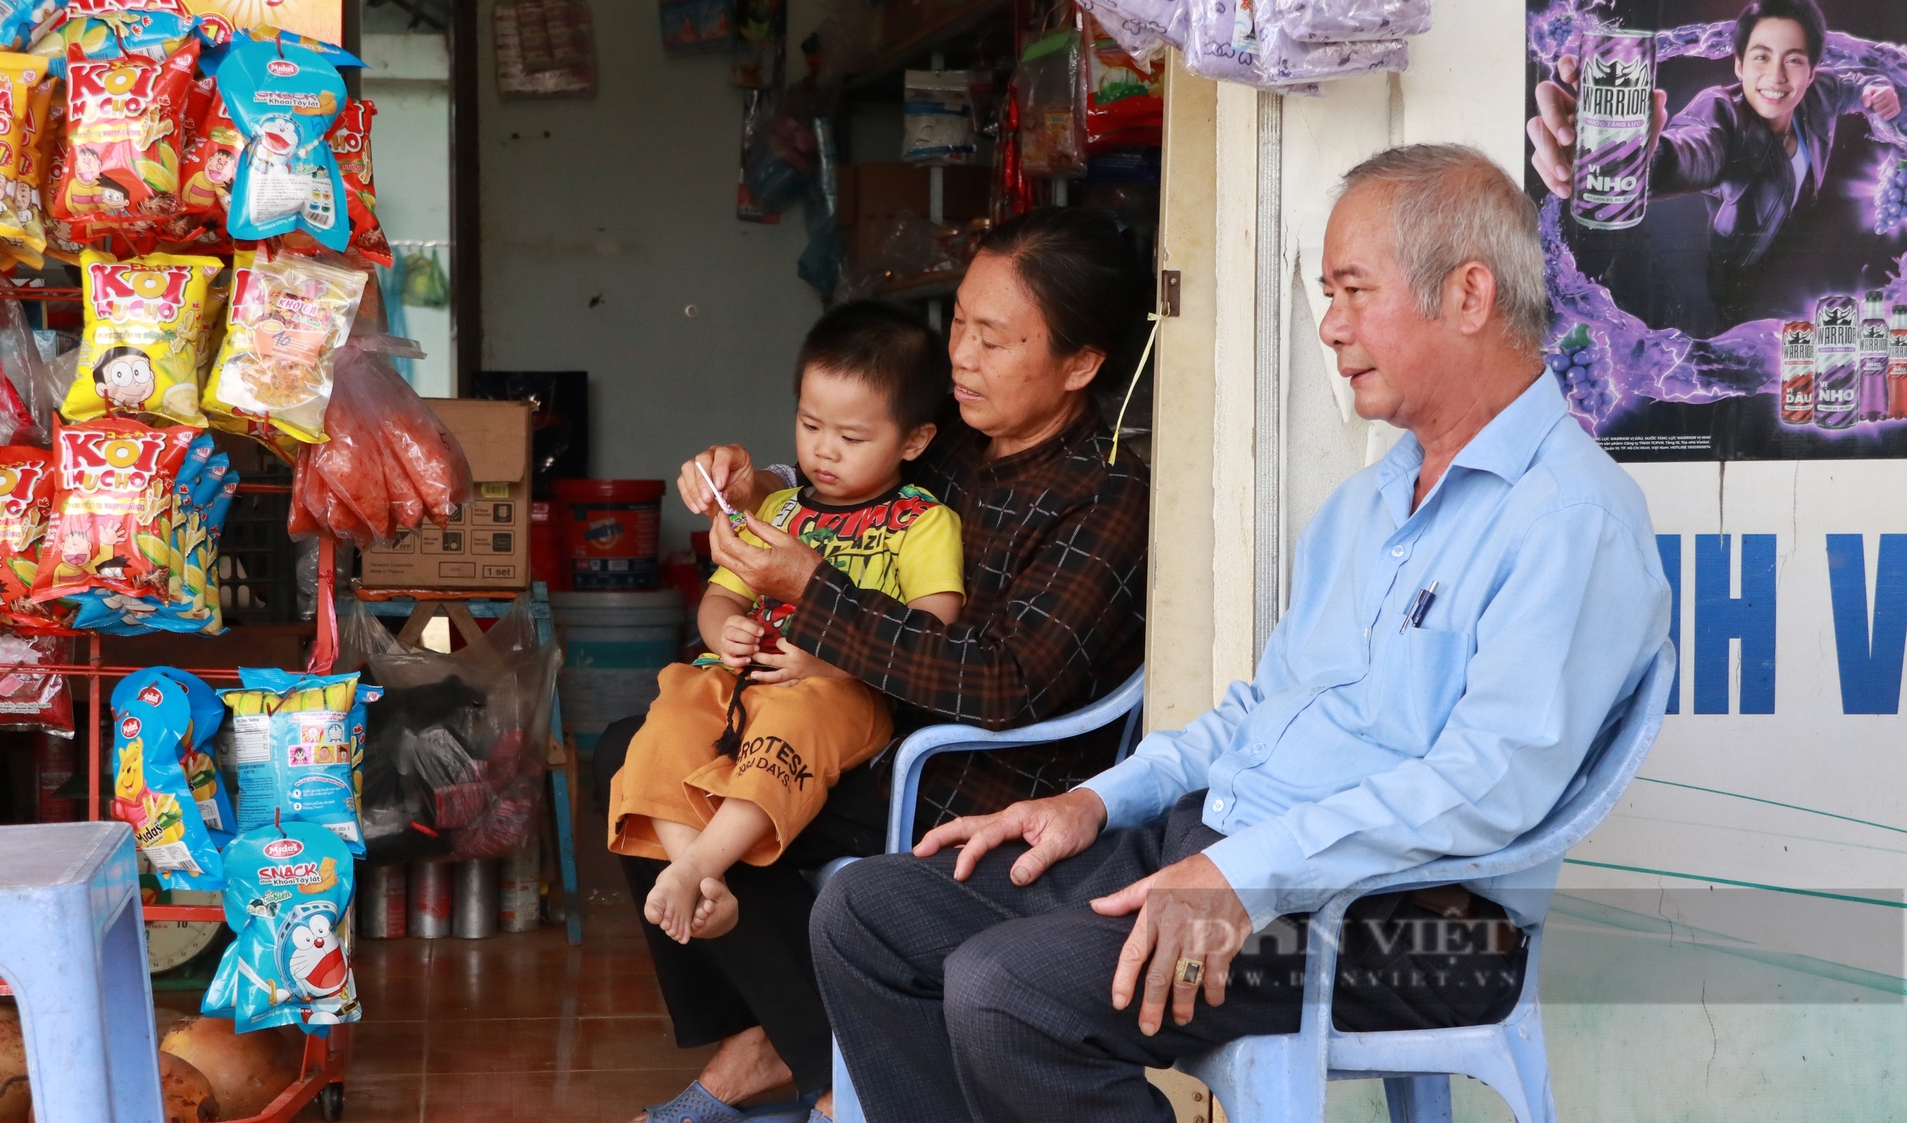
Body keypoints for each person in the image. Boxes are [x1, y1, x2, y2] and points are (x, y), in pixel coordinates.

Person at [812, 144, 1673, 1123]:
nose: (1329, 326)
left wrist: (1242, 874)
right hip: (1220, 845)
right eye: (1325, 293)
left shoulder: (1569, 518)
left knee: (1005, 988)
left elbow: (1486, 786)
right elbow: (1259, 714)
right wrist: (1092, 803)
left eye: (1353, 292)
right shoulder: (1371, 503)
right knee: (871, 911)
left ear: (1467, 295)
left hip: (1397, 924)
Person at [593, 205, 1151, 1123]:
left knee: (733, 791)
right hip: (872, 717)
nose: (962, 357)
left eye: (996, 338)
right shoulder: (961, 442)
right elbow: (849, 491)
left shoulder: (1106, 495)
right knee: (632, 754)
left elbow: (1007, 681)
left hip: (974, 767)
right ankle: (781, 1039)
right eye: (959, 324)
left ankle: (808, 1067)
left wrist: (811, 589)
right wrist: (759, 486)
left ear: (1081, 364)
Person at [607, 301, 967, 945]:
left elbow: (932, 624)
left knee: (790, 727)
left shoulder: (923, 522)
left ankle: (694, 868)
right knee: (671, 708)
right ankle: (700, 876)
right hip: (743, 679)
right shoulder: (779, 507)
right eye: (809, 424)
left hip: (839, 690)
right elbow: (720, 600)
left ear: (914, 440)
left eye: (853, 439)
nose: (824, 451)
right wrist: (725, 634)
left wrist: (826, 658)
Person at [1528, 0, 1901, 323]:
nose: (1776, 75)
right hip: (1738, 285)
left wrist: (1873, 92)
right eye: (1761, 57)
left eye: (1793, 61)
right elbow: (1691, 152)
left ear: (1810, 73)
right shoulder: (1720, 114)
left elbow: (1850, 85)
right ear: (1738, 66)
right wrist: (1619, 152)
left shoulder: (1819, 93)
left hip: (1806, 269)